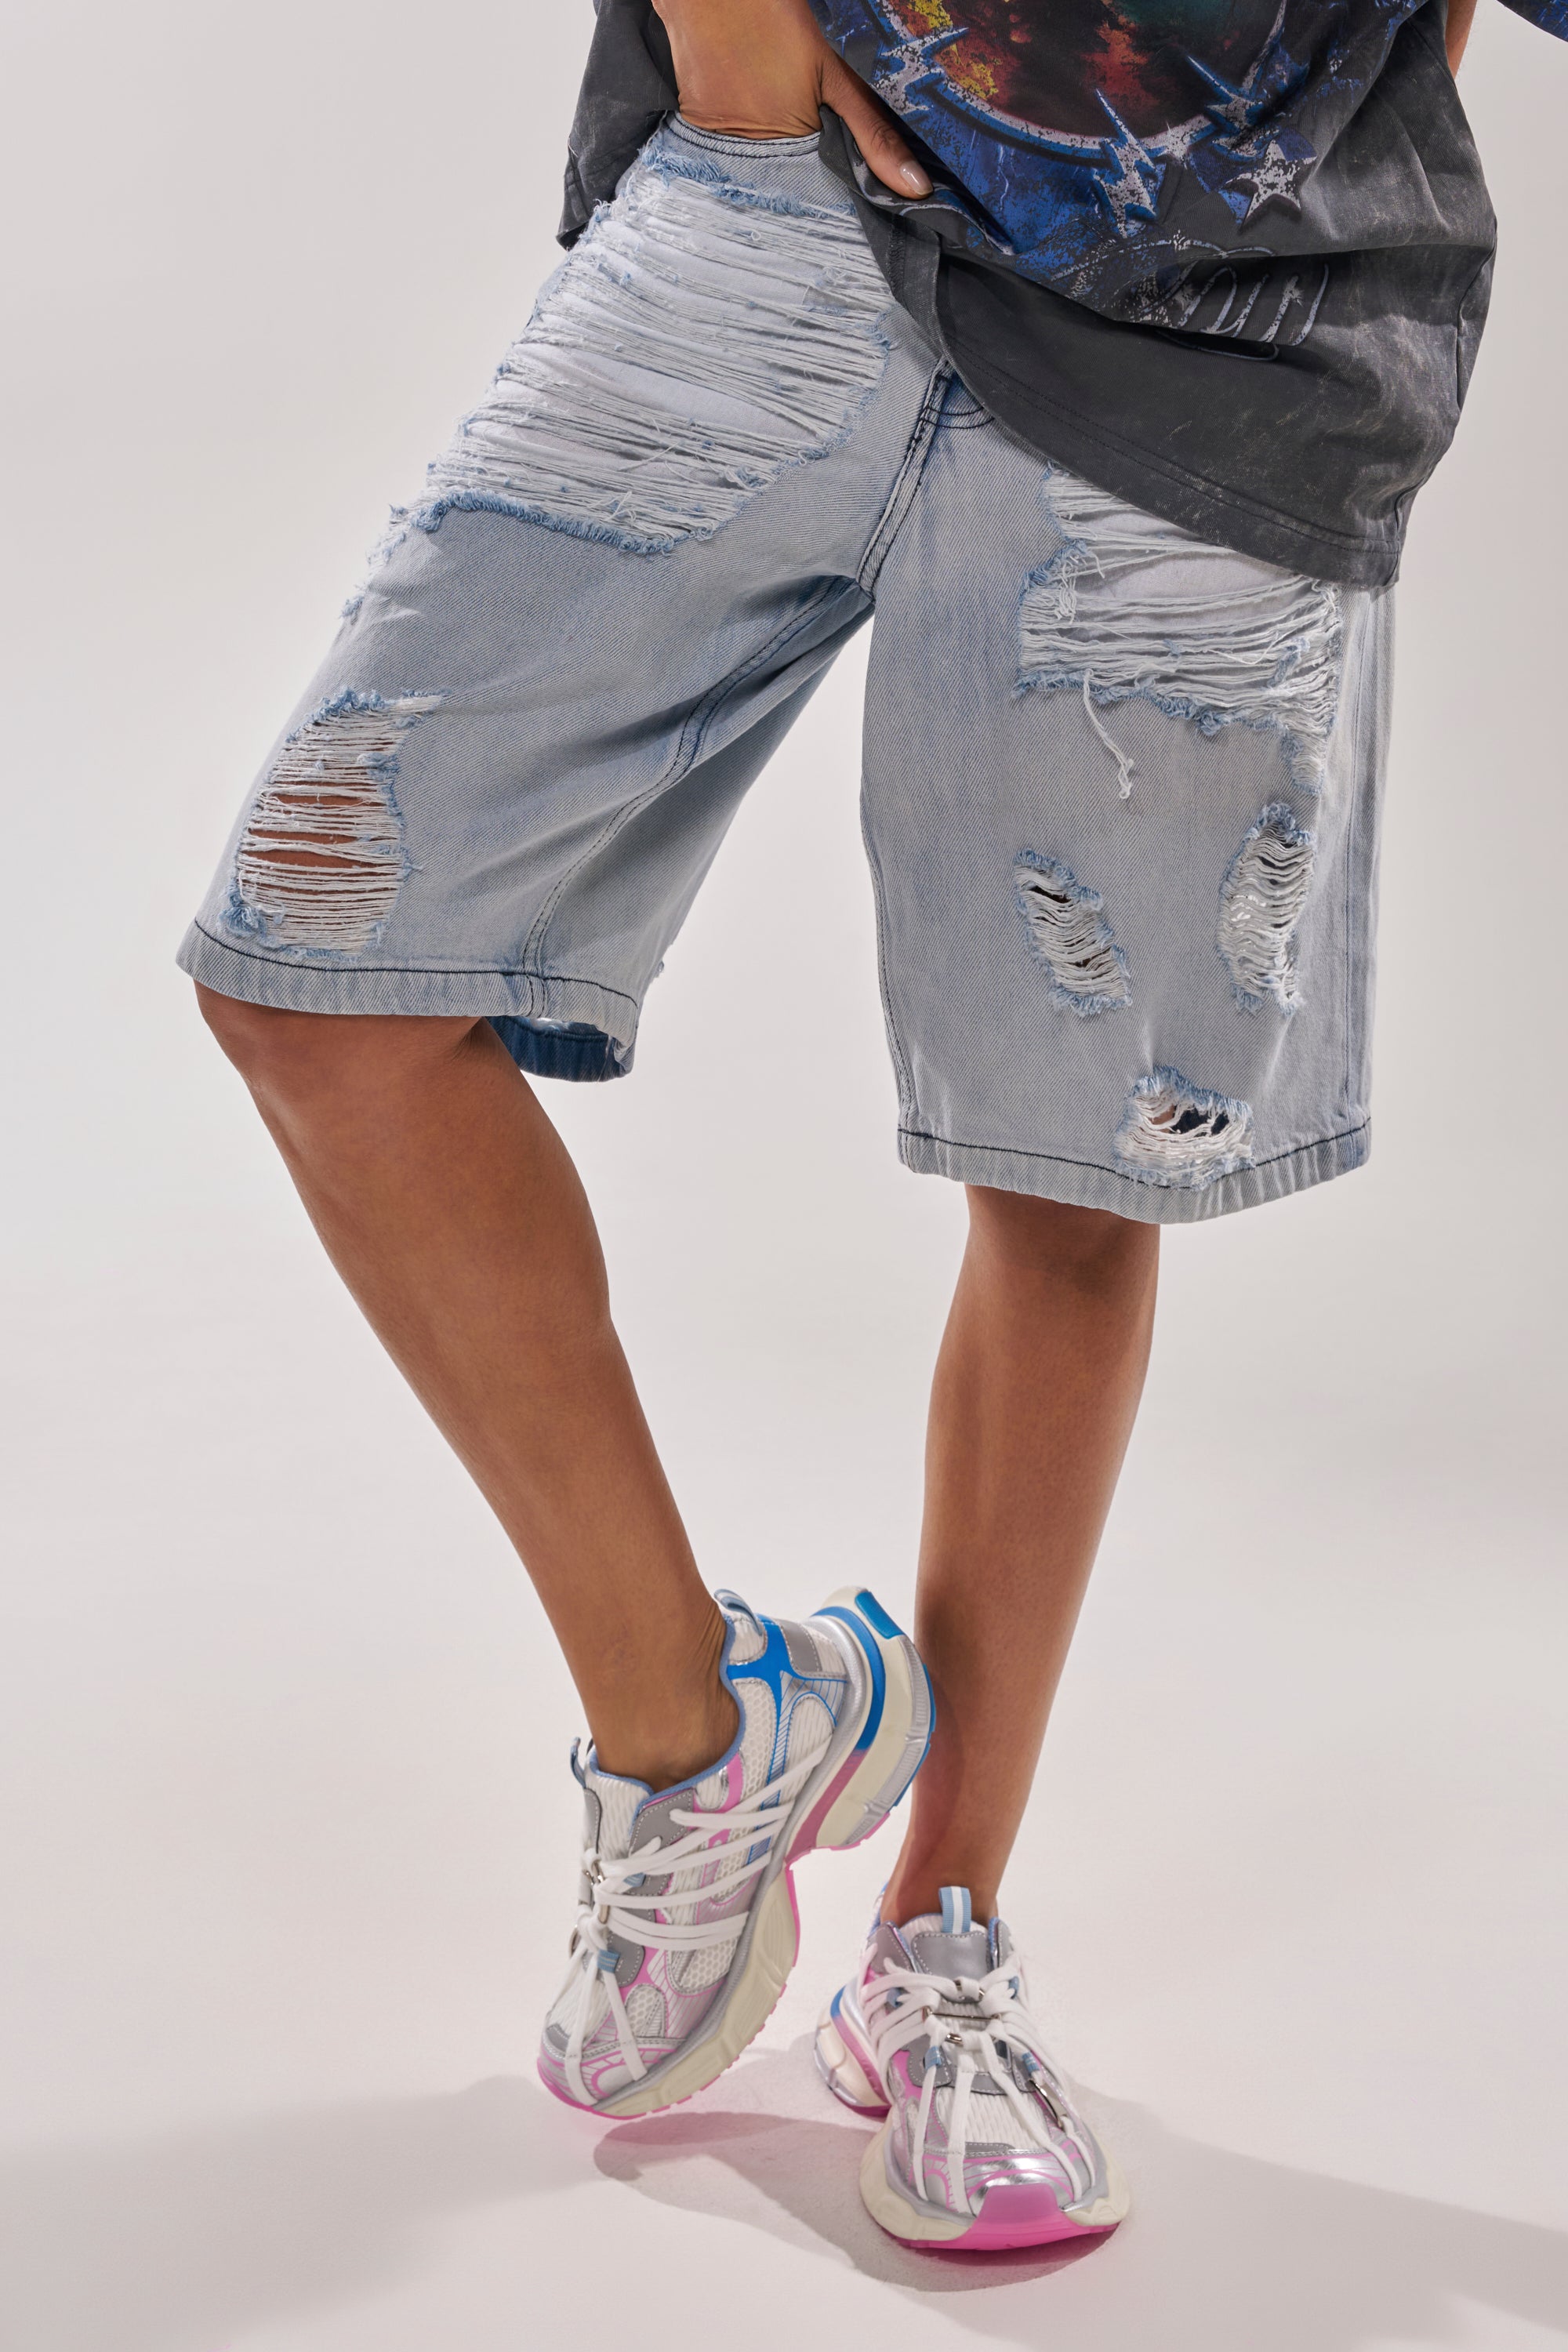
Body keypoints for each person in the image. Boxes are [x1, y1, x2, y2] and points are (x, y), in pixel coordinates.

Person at [178, 0, 1558, 2256]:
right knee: (316, 981)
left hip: (1233, 343)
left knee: (1077, 1161)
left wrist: (1254, 166)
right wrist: (731, 53)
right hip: (767, 208)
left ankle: (944, 1944)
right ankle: (696, 1742)